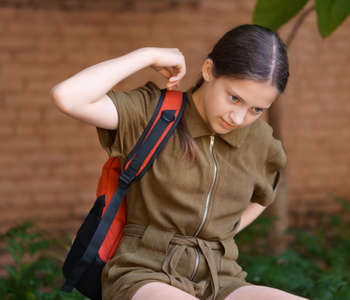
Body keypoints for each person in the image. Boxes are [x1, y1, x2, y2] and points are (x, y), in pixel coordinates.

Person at [51, 24, 308, 300]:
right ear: (209, 70)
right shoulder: (153, 113)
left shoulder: (259, 140)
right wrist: (147, 55)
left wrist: (225, 230)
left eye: (256, 109)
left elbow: (265, 192)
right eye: (234, 98)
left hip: (221, 277)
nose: (238, 118)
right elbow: (68, 97)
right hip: (144, 272)